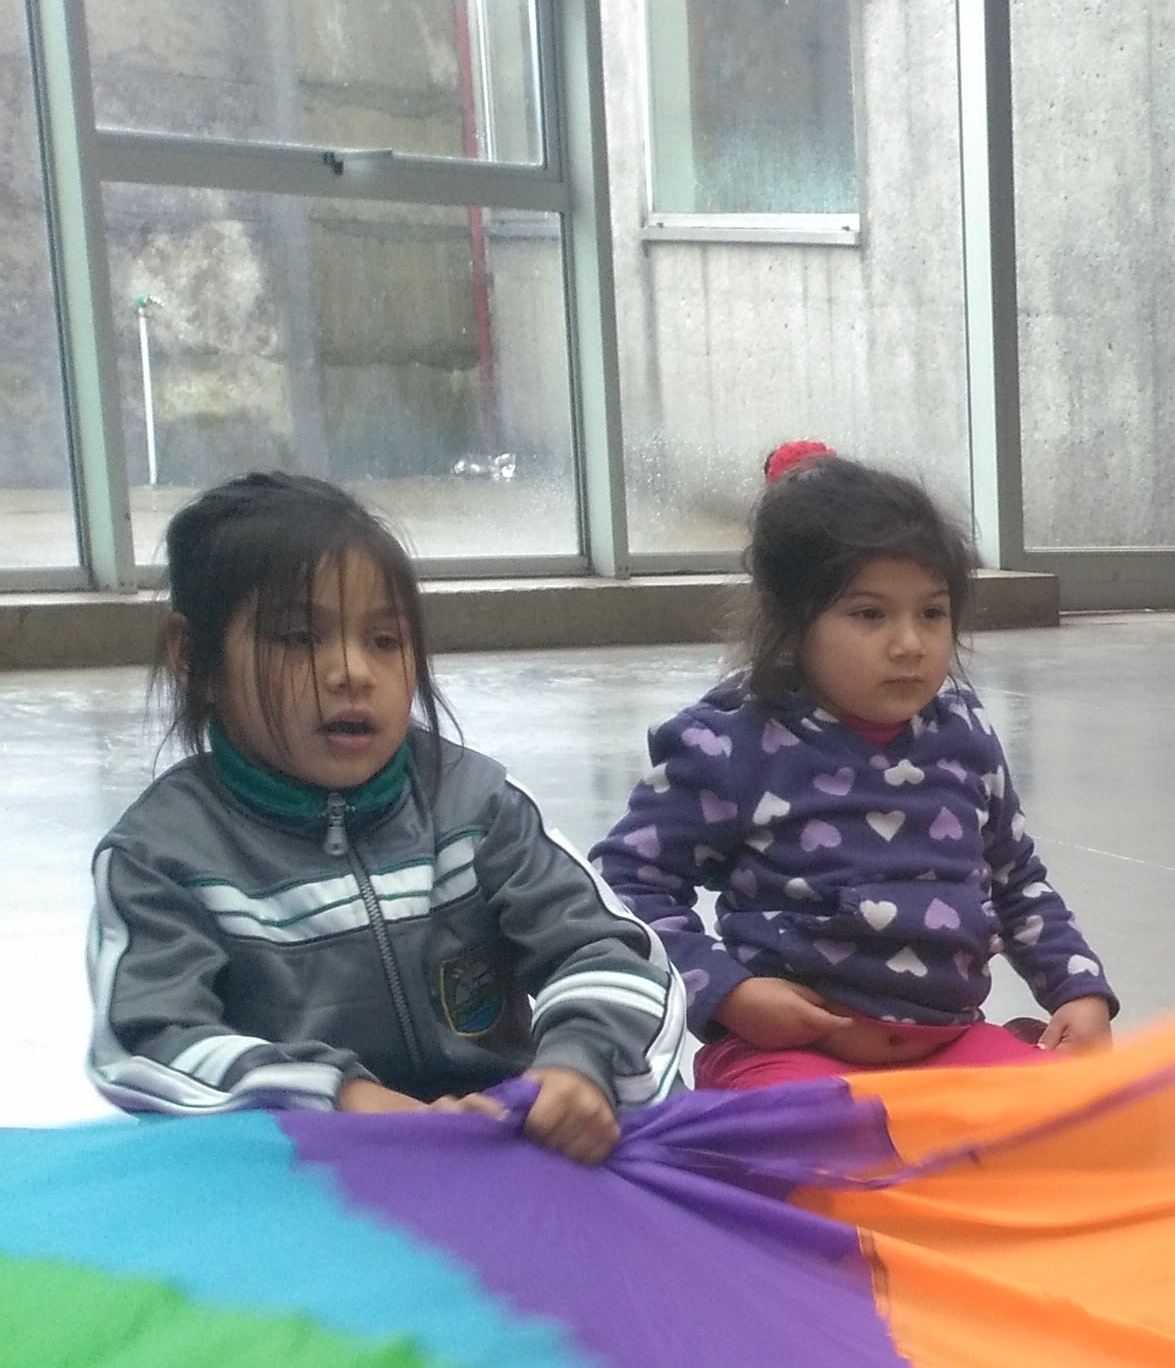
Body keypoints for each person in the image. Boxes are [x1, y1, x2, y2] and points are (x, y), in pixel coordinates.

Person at [87, 470, 685, 1153]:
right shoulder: (161, 857)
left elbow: (613, 953)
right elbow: (149, 1042)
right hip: (304, 1173)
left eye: (384, 641)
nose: (352, 672)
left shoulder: (476, 806)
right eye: (297, 637)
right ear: (193, 657)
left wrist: (579, 1064)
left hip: (500, 1151)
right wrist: (342, 1098)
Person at [595, 449, 1115, 1091]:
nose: (910, 644)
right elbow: (623, 887)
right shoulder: (729, 744)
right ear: (789, 619)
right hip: (790, 1063)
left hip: (950, 1047)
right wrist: (728, 992)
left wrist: (1078, 990)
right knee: (809, 1131)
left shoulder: (964, 737)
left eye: (932, 613)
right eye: (870, 614)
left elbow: (1016, 881)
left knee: (1083, 1111)